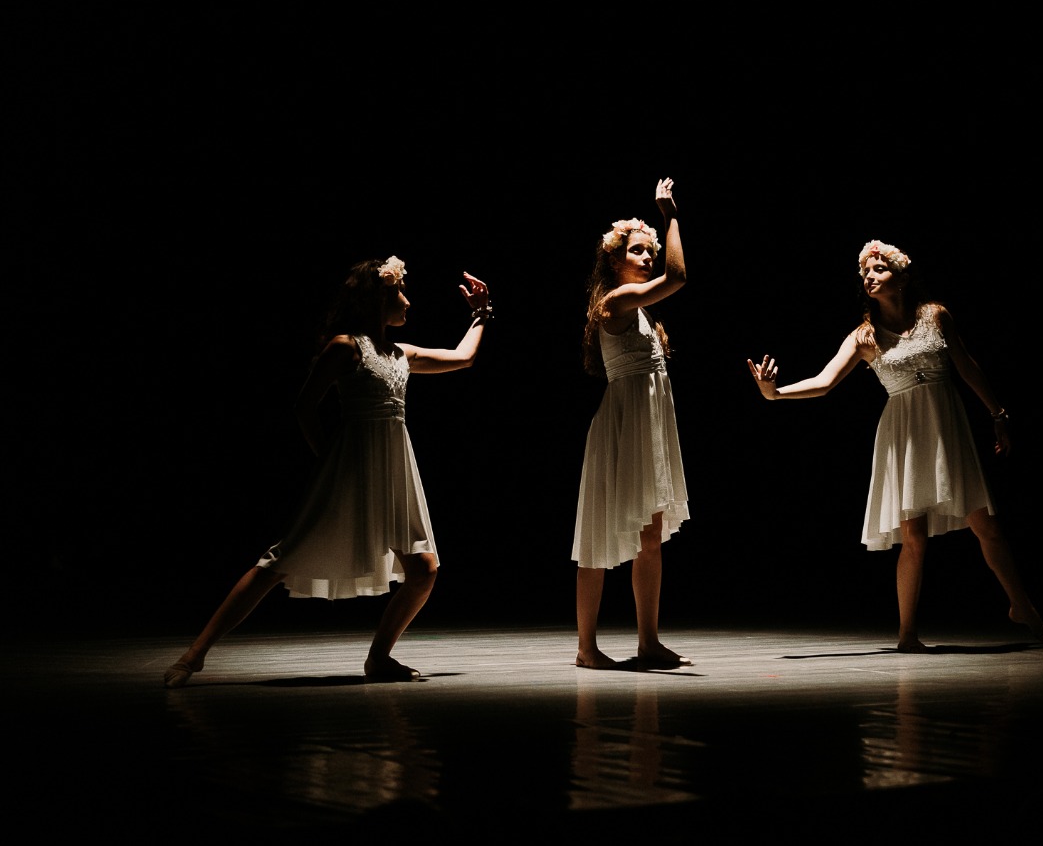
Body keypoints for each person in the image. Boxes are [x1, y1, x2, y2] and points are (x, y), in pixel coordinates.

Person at [163, 256, 492, 687]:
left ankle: (378, 658)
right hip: (350, 466)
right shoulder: (345, 346)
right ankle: (194, 656)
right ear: (379, 298)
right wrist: (328, 462)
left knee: (424, 570)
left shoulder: (402, 353)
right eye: (400, 292)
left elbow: (463, 357)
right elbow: (304, 407)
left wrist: (481, 313)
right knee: (280, 561)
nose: (408, 301)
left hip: (395, 469)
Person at [747, 239, 1043, 653]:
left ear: (902, 277)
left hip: (946, 427)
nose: (869, 277)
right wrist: (776, 393)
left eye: (879, 269)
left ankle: (1022, 606)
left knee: (987, 525)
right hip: (904, 432)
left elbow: (966, 366)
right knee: (914, 536)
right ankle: (907, 633)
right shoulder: (864, 336)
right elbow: (824, 382)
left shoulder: (935, 315)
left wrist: (998, 415)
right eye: (865, 273)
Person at [571, 177, 692, 670]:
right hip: (623, 429)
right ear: (614, 260)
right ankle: (586, 648)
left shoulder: (642, 313)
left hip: (649, 427)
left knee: (651, 537)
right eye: (638, 251)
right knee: (599, 537)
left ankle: (648, 642)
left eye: (651, 251)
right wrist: (670, 216)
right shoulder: (614, 303)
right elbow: (677, 277)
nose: (648, 257)